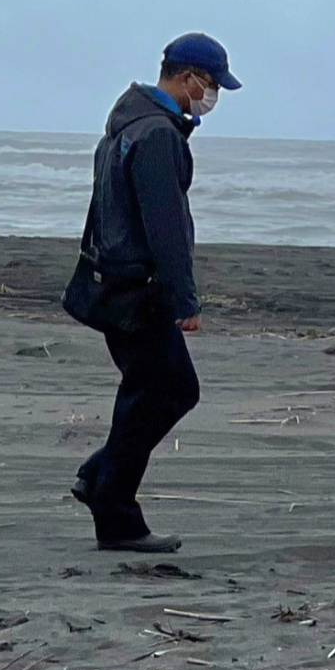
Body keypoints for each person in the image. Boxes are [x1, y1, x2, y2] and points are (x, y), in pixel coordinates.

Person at [67, 33, 242, 552]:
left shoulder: (128, 124)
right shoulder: (157, 134)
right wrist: (184, 300)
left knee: (152, 392)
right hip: (137, 290)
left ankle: (99, 481)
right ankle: (114, 509)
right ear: (189, 78)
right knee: (170, 391)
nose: (212, 98)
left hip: (115, 284)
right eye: (211, 86)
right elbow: (162, 224)